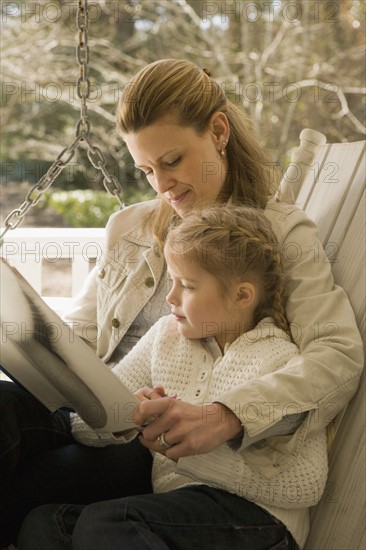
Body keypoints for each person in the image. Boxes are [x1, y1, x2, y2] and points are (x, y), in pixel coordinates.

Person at [0, 58, 363, 547]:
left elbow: (336, 354)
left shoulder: (275, 234)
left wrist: (226, 414)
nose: (161, 186)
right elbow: (82, 339)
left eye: (171, 162)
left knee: (26, 493)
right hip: (97, 412)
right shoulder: (128, 226)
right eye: (146, 170)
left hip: (164, 447)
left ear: (218, 131)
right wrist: (27, 339)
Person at [17, 204, 329, 550]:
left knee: (109, 522)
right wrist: (127, 416)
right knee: (45, 524)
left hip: (258, 521)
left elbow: (306, 483)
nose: (170, 297)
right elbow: (84, 425)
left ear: (242, 295)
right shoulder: (166, 335)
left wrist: (189, 452)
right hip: (173, 511)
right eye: (172, 281)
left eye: (188, 286)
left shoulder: (279, 360)